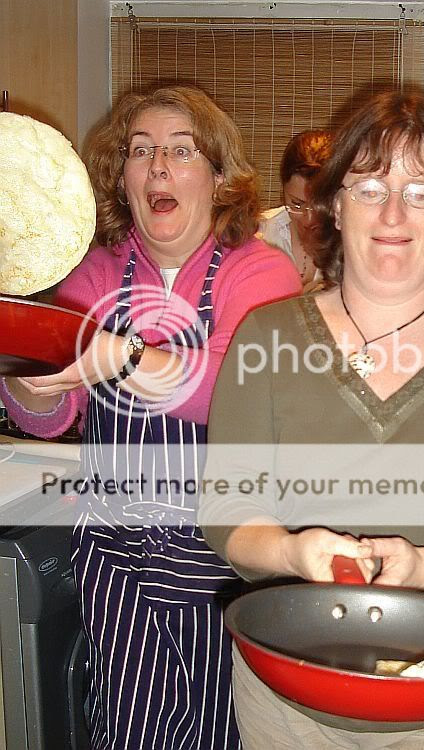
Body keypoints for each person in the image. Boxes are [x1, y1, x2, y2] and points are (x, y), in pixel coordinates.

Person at [199, 90, 424, 749]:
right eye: (369, 188)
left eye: (421, 191)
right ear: (335, 206)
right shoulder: (264, 337)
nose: (394, 213)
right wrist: (289, 550)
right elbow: (228, 508)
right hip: (289, 701)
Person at [0, 85, 301, 750]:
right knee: (131, 730)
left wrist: (123, 354)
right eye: (141, 151)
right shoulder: (93, 275)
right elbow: (50, 413)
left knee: (225, 730)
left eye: (181, 151)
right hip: (117, 558)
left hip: (226, 558)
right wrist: (29, 371)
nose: (158, 166)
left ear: (218, 178)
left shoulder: (260, 272)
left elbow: (236, 389)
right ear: (123, 178)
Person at [258, 129, 333, 290]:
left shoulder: (352, 243)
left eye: (319, 206)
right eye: (296, 204)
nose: (309, 219)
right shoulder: (260, 234)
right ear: (283, 190)